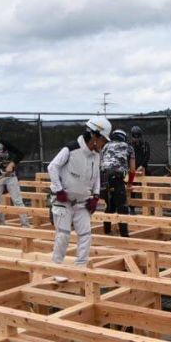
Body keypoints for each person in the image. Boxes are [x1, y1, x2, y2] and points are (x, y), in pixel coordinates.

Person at [48, 116, 111, 275]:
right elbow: (52, 167)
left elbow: (96, 176)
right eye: (103, 140)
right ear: (95, 136)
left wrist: (96, 197)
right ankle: (57, 270)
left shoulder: (96, 155)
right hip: (63, 201)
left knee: (86, 235)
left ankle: (80, 268)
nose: (104, 144)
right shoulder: (70, 149)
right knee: (63, 236)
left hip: (83, 202)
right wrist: (59, 189)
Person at [101, 129, 135, 237]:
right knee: (122, 207)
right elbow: (133, 169)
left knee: (109, 205)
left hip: (103, 178)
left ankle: (107, 232)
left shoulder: (106, 146)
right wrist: (129, 183)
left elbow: (100, 162)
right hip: (117, 178)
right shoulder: (128, 147)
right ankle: (124, 235)